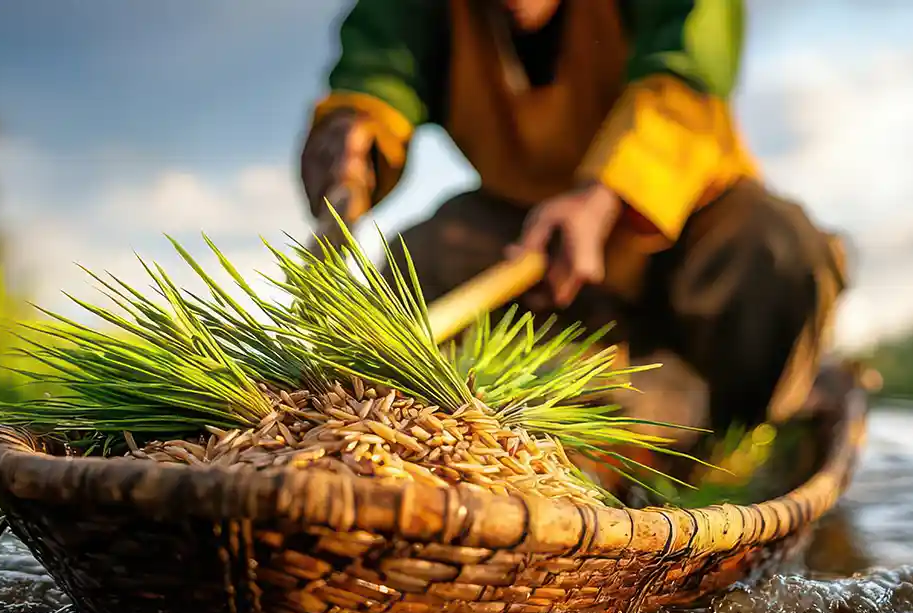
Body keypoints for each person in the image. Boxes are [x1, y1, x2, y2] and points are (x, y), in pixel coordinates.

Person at [299, 0, 846, 463]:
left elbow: (686, 72)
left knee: (778, 251)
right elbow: (375, 74)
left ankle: (726, 437)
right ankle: (521, 433)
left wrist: (602, 196)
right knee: (413, 269)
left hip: (688, 219)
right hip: (528, 237)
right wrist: (351, 149)